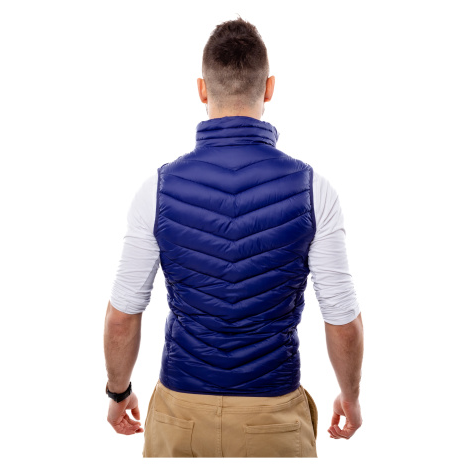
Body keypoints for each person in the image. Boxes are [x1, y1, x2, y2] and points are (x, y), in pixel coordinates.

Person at [104, 15, 364, 458]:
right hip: (273, 416)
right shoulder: (313, 190)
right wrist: (351, 396)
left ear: (202, 90)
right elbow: (341, 318)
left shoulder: (157, 189)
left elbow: (122, 317)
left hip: (180, 414)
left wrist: (118, 392)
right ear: (269, 88)